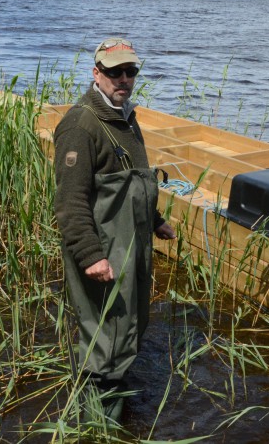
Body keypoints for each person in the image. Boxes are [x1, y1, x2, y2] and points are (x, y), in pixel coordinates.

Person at [53, 36, 176, 419]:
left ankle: (115, 412)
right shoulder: (79, 126)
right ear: (97, 73)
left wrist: (155, 221)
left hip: (131, 245)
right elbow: (69, 203)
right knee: (105, 338)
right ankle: (94, 424)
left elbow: (132, 181)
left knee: (128, 328)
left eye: (130, 71)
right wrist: (90, 255)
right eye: (114, 71)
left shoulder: (126, 117)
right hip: (103, 251)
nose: (124, 78)